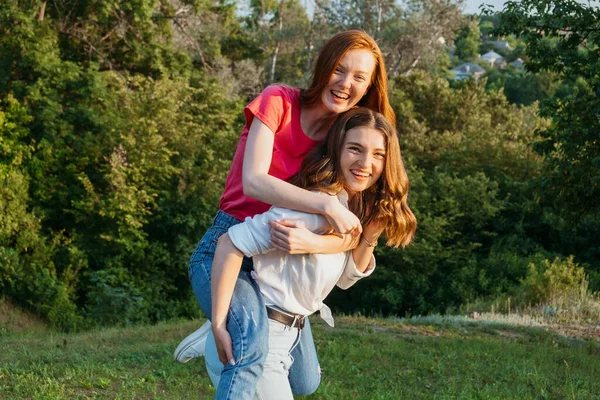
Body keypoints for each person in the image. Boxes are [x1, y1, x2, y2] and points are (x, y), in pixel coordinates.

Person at [174, 30, 396, 400]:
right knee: (250, 355)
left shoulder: (344, 137)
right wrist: (324, 205)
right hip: (226, 246)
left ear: (369, 86)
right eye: (339, 70)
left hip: (276, 262)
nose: (345, 83)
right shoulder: (279, 101)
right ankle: (227, 318)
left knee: (305, 381)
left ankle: (235, 320)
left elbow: (348, 231)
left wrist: (316, 239)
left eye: (359, 77)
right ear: (323, 66)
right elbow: (254, 182)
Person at [206, 107, 417, 399]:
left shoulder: (345, 209)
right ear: (337, 150)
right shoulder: (314, 206)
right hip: (261, 334)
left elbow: (346, 278)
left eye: (378, 154)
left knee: (307, 383)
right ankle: (213, 335)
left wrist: (370, 233)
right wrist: (219, 324)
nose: (366, 163)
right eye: (355, 149)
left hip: (294, 330)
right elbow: (228, 243)